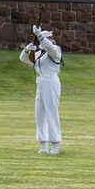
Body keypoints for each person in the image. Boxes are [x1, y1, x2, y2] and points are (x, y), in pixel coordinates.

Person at [20, 26, 63, 154]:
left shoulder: (55, 50)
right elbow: (23, 58)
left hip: (51, 81)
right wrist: (27, 49)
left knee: (51, 113)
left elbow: (50, 48)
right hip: (40, 82)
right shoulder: (38, 54)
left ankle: (55, 144)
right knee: (39, 114)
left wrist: (40, 36)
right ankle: (43, 144)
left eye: (47, 39)